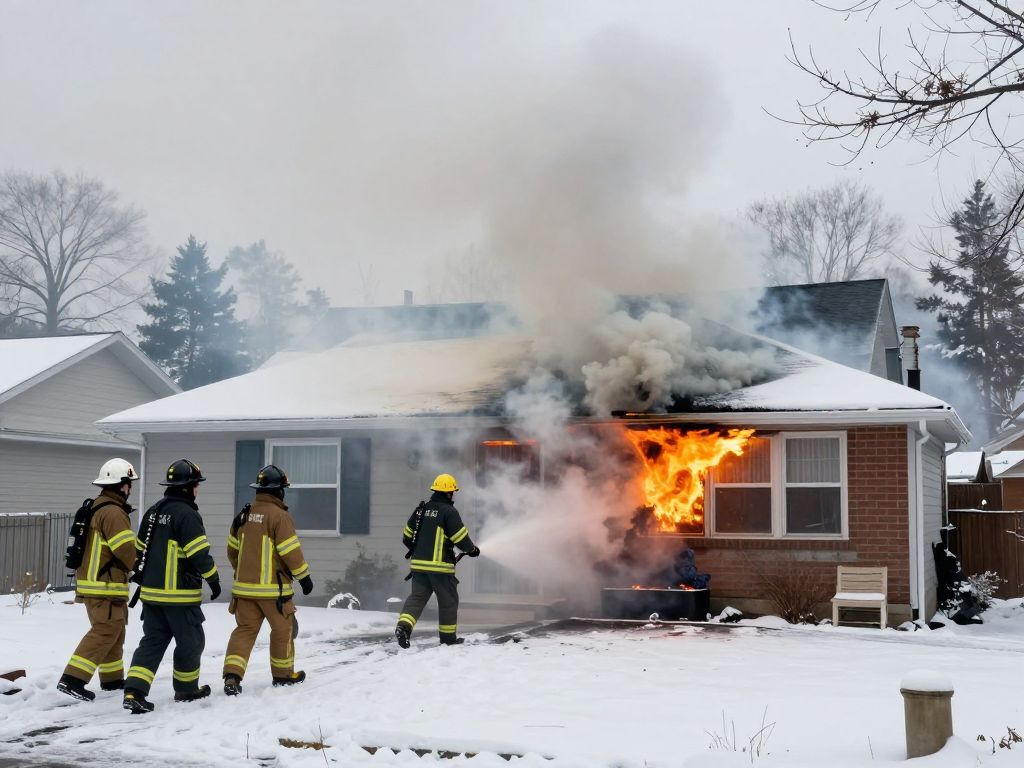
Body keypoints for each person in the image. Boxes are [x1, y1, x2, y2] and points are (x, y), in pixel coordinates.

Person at [122, 458, 220, 714]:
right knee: (191, 641)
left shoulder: (153, 511)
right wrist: (214, 579)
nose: (198, 489)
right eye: (196, 485)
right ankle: (186, 690)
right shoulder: (187, 515)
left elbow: (139, 551)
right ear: (188, 487)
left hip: (152, 596)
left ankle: (134, 690)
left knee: (152, 642)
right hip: (179, 596)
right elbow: (199, 554)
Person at [222, 464, 313, 696]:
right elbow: (290, 551)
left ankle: (232, 676)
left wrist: (243, 572)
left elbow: (232, 551)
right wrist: (304, 577)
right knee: (283, 630)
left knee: (244, 631)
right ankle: (283, 676)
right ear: (279, 491)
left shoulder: (243, 515)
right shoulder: (280, 516)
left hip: (244, 591)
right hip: (274, 592)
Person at [56, 458, 140, 701]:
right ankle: (72, 679)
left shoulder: (97, 507)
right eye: (129, 483)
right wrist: (140, 566)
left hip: (96, 584)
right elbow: (125, 549)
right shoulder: (113, 513)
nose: (130, 488)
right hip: (105, 585)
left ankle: (112, 681)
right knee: (105, 630)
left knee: (114, 631)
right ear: (122, 485)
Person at [395, 473, 480, 648]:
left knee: (416, 599)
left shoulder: (422, 509)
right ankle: (448, 639)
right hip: (440, 568)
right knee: (448, 601)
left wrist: (420, 550)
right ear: (449, 493)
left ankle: (403, 627)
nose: (453, 495)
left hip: (418, 567)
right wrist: (472, 550)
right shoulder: (449, 511)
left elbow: (406, 537)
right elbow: (460, 538)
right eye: (453, 492)